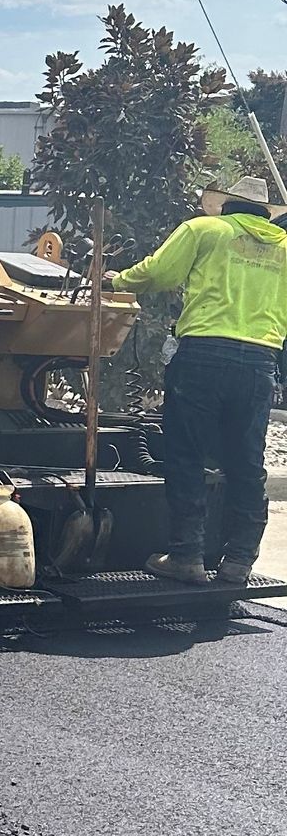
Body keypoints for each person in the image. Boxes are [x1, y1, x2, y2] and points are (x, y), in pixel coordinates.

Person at [112, 175, 287, 589]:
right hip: (260, 361)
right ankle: (239, 561)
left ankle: (187, 555)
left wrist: (115, 279)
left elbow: (158, 273)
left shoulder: (203, 229)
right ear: (266, 214)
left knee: (187, 455)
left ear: (223, 206)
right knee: (246, 461)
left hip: (205, 355)